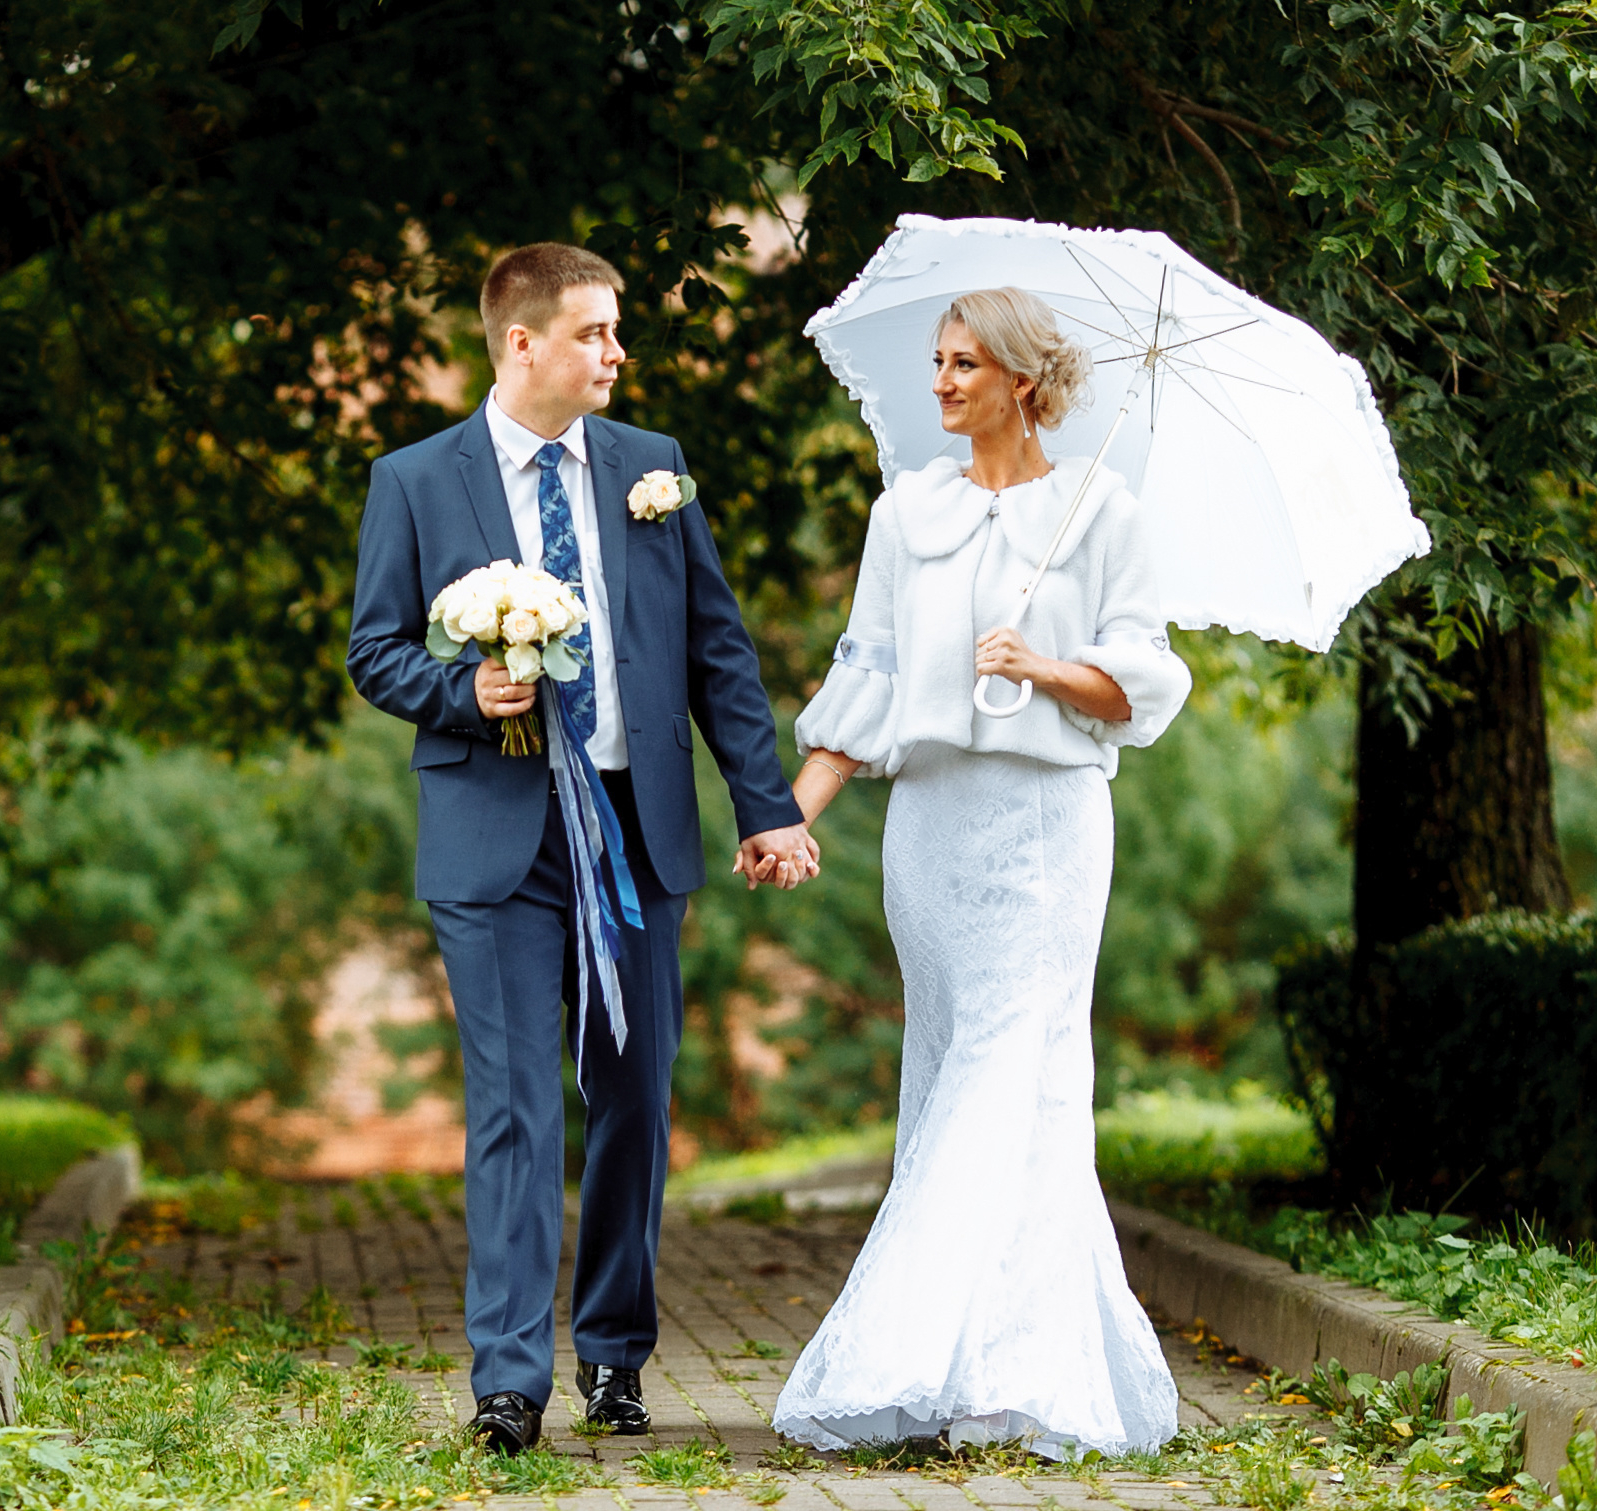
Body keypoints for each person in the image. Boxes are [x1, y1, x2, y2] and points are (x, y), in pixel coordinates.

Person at [347, 242, 817, 1455]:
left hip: (630, 826)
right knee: (513, 1108)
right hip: (493, 835)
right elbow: (376, 650)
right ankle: (507, 1380)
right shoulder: (412, 480)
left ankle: (614, 1355)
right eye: (596, 332)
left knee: (632, 1096)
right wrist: (465, 691)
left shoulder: (652, 470)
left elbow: (717, 650)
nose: (617, 353)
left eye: (615, 333)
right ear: (521, 342)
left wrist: (764, 803)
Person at [772, 287, 1189, 1460]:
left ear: (1020, 379)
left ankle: (984, 1371)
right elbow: (864, 682)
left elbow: (1146, 686)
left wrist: (1046, 667)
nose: (942, 380)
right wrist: (789, 819)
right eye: (936, 360)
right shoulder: (904, 515)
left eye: (965, 363)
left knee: (1018, 1071)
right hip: (931, 830)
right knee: (963, 1069)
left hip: (1048, 828)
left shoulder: (1103, 509)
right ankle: (972, 1371)